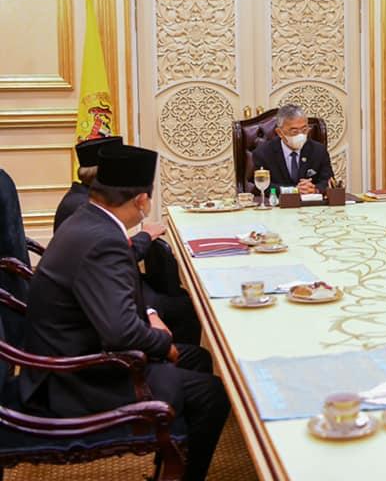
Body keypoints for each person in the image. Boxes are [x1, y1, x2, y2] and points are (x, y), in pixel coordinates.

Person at [21, 144, 230, 481]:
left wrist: (152, 325)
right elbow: (119, 332)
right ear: (141, 201)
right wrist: (164, 344)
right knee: (213, 394)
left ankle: (170, 463)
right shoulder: (103, 241)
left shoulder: (87, 220)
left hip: (69, 353)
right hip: (75, 379)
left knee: (198, 360)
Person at [54, 136, 201, 345]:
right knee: (185, 306)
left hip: (109, 295)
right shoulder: (84, 208)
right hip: (94, 327)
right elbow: (110, 263)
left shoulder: (83, 201)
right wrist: (150, 313)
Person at [251, 103, 334, 195]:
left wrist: (315, 189)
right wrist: (293, 190)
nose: (300, 135)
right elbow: (262, 187)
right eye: (294, 131)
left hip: (311, 205)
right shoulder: (263, 153)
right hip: (278, 205)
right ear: (280, 133)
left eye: (304, 130)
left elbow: (328, 181)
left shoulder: (318, 150)